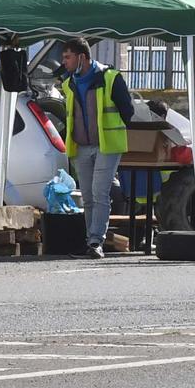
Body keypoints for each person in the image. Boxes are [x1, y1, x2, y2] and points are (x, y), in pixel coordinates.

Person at [58, 36, 134, 259]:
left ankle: (95, 241)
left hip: (106, 146)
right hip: (81, 146)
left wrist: (112, 132)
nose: (64, 62)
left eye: (67, 57)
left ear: (82, 57)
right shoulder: (68, 83)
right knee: (88, 196)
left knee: (100, 193)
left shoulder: (110, 78)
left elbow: (127, 111)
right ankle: (90, 240)